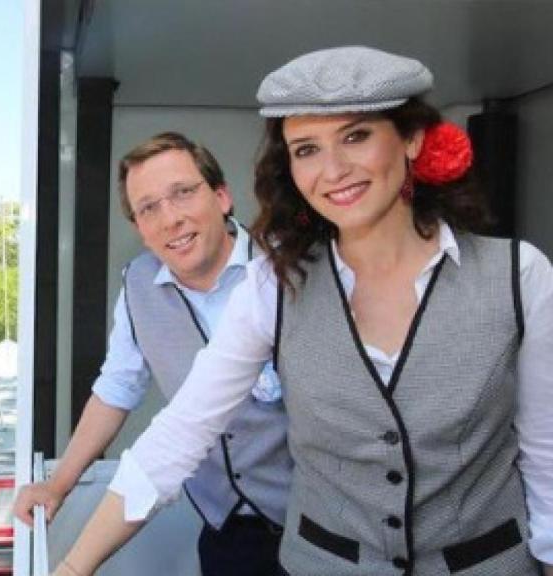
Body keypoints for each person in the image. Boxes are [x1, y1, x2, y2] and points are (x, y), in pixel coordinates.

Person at [54, 46, 553, 576]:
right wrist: (71, 567)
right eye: (306, 149)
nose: (333, 170)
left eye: (356, 136)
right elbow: (180, 432)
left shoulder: (520, 276)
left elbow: (546, 452)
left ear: (411, 139)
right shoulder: (274, 282)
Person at [14, 132, 292, 575]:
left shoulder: (287, 269)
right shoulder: (138, 285)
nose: (170, 219)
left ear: (222, 196)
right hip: (227, 529)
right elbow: (118, 387)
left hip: (314, 526)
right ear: (140, 230)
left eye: (182, 194)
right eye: (148, 208)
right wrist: (58, 484)